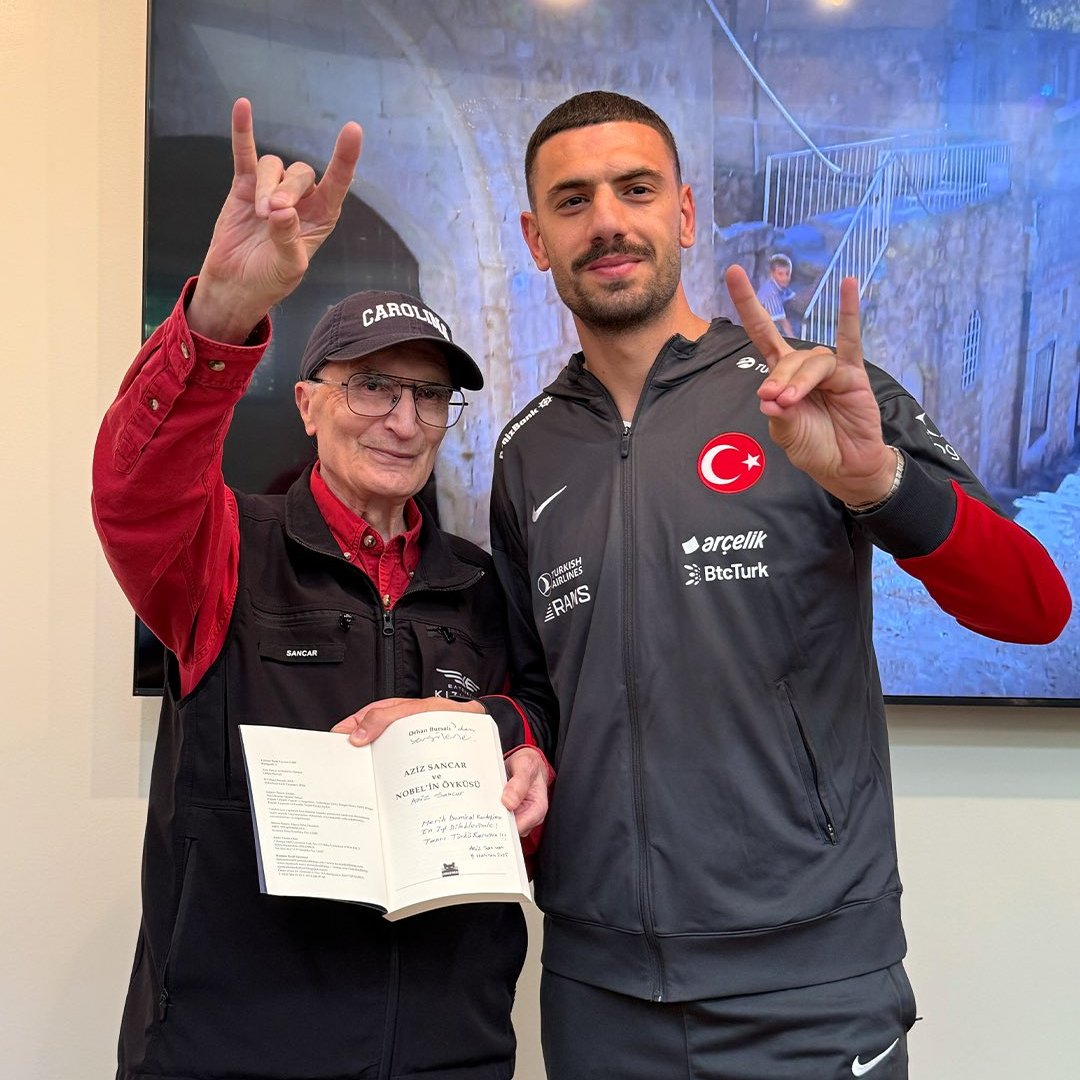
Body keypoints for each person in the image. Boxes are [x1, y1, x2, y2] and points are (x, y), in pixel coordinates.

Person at [347, 90, 1071, 1079]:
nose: (607, 220)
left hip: (812, 994)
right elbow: (542, 695)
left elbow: (1037, 608)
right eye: (573, 200)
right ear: (534, 237)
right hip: (602, 1000)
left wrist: (883, 486)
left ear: (683, 213)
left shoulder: (811, 396)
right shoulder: (527, 455)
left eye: (635, 189)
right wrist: (488, 738)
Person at [92, 98, 547, 1080]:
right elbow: (132, 495)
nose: (402, 417)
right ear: (308, 404)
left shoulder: (477, 584)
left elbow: (540, 720)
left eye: (429, 394)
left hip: (447, 1053)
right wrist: (217, 313)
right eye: (372, 384)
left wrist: (503, 734)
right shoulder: (222, 550)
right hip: (235, 1054)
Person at [756, 251, 795, 335]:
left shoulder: (781, 286)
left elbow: (795, 299)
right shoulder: (770, 292)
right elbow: (783, 322)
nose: (785, 278)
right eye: (780, 274)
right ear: (772, 274)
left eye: (787, 273)